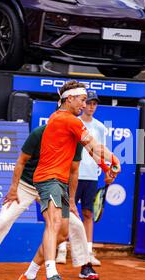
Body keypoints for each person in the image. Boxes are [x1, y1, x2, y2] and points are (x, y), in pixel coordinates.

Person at [21, 80, 120, 280]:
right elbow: (94, 145)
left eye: (87, 101)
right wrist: (113, 159)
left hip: (61, 182)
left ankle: (29, 275)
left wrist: (106, 165)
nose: (85, 105)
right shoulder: (68, 120)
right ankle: (51, 273)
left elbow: (91, 150)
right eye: (83, 100)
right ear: (69, 99)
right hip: (48, 180)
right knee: (54, 223)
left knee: (63, 232)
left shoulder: (62, 119)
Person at [0, 124, 106, 280]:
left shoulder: (76, 140)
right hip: (26, 185)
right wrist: (13, 188)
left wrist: (71, 201)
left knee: (76, 224)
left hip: (53, 187)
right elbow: (21, 161)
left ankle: (85, 266)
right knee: (4, 219)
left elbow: (73, 171)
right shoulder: (39, 134)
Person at [56, 90, 104, 267]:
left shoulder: (100, 127)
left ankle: (88, 252)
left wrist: (105, 169)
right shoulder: (73, 123)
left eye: (94, 103)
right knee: (66, 213)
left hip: (91, 177)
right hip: (71, 174)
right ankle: (61, 250)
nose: (91, 106)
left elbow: (100, 150)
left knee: (87, 213)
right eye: (88, 102)